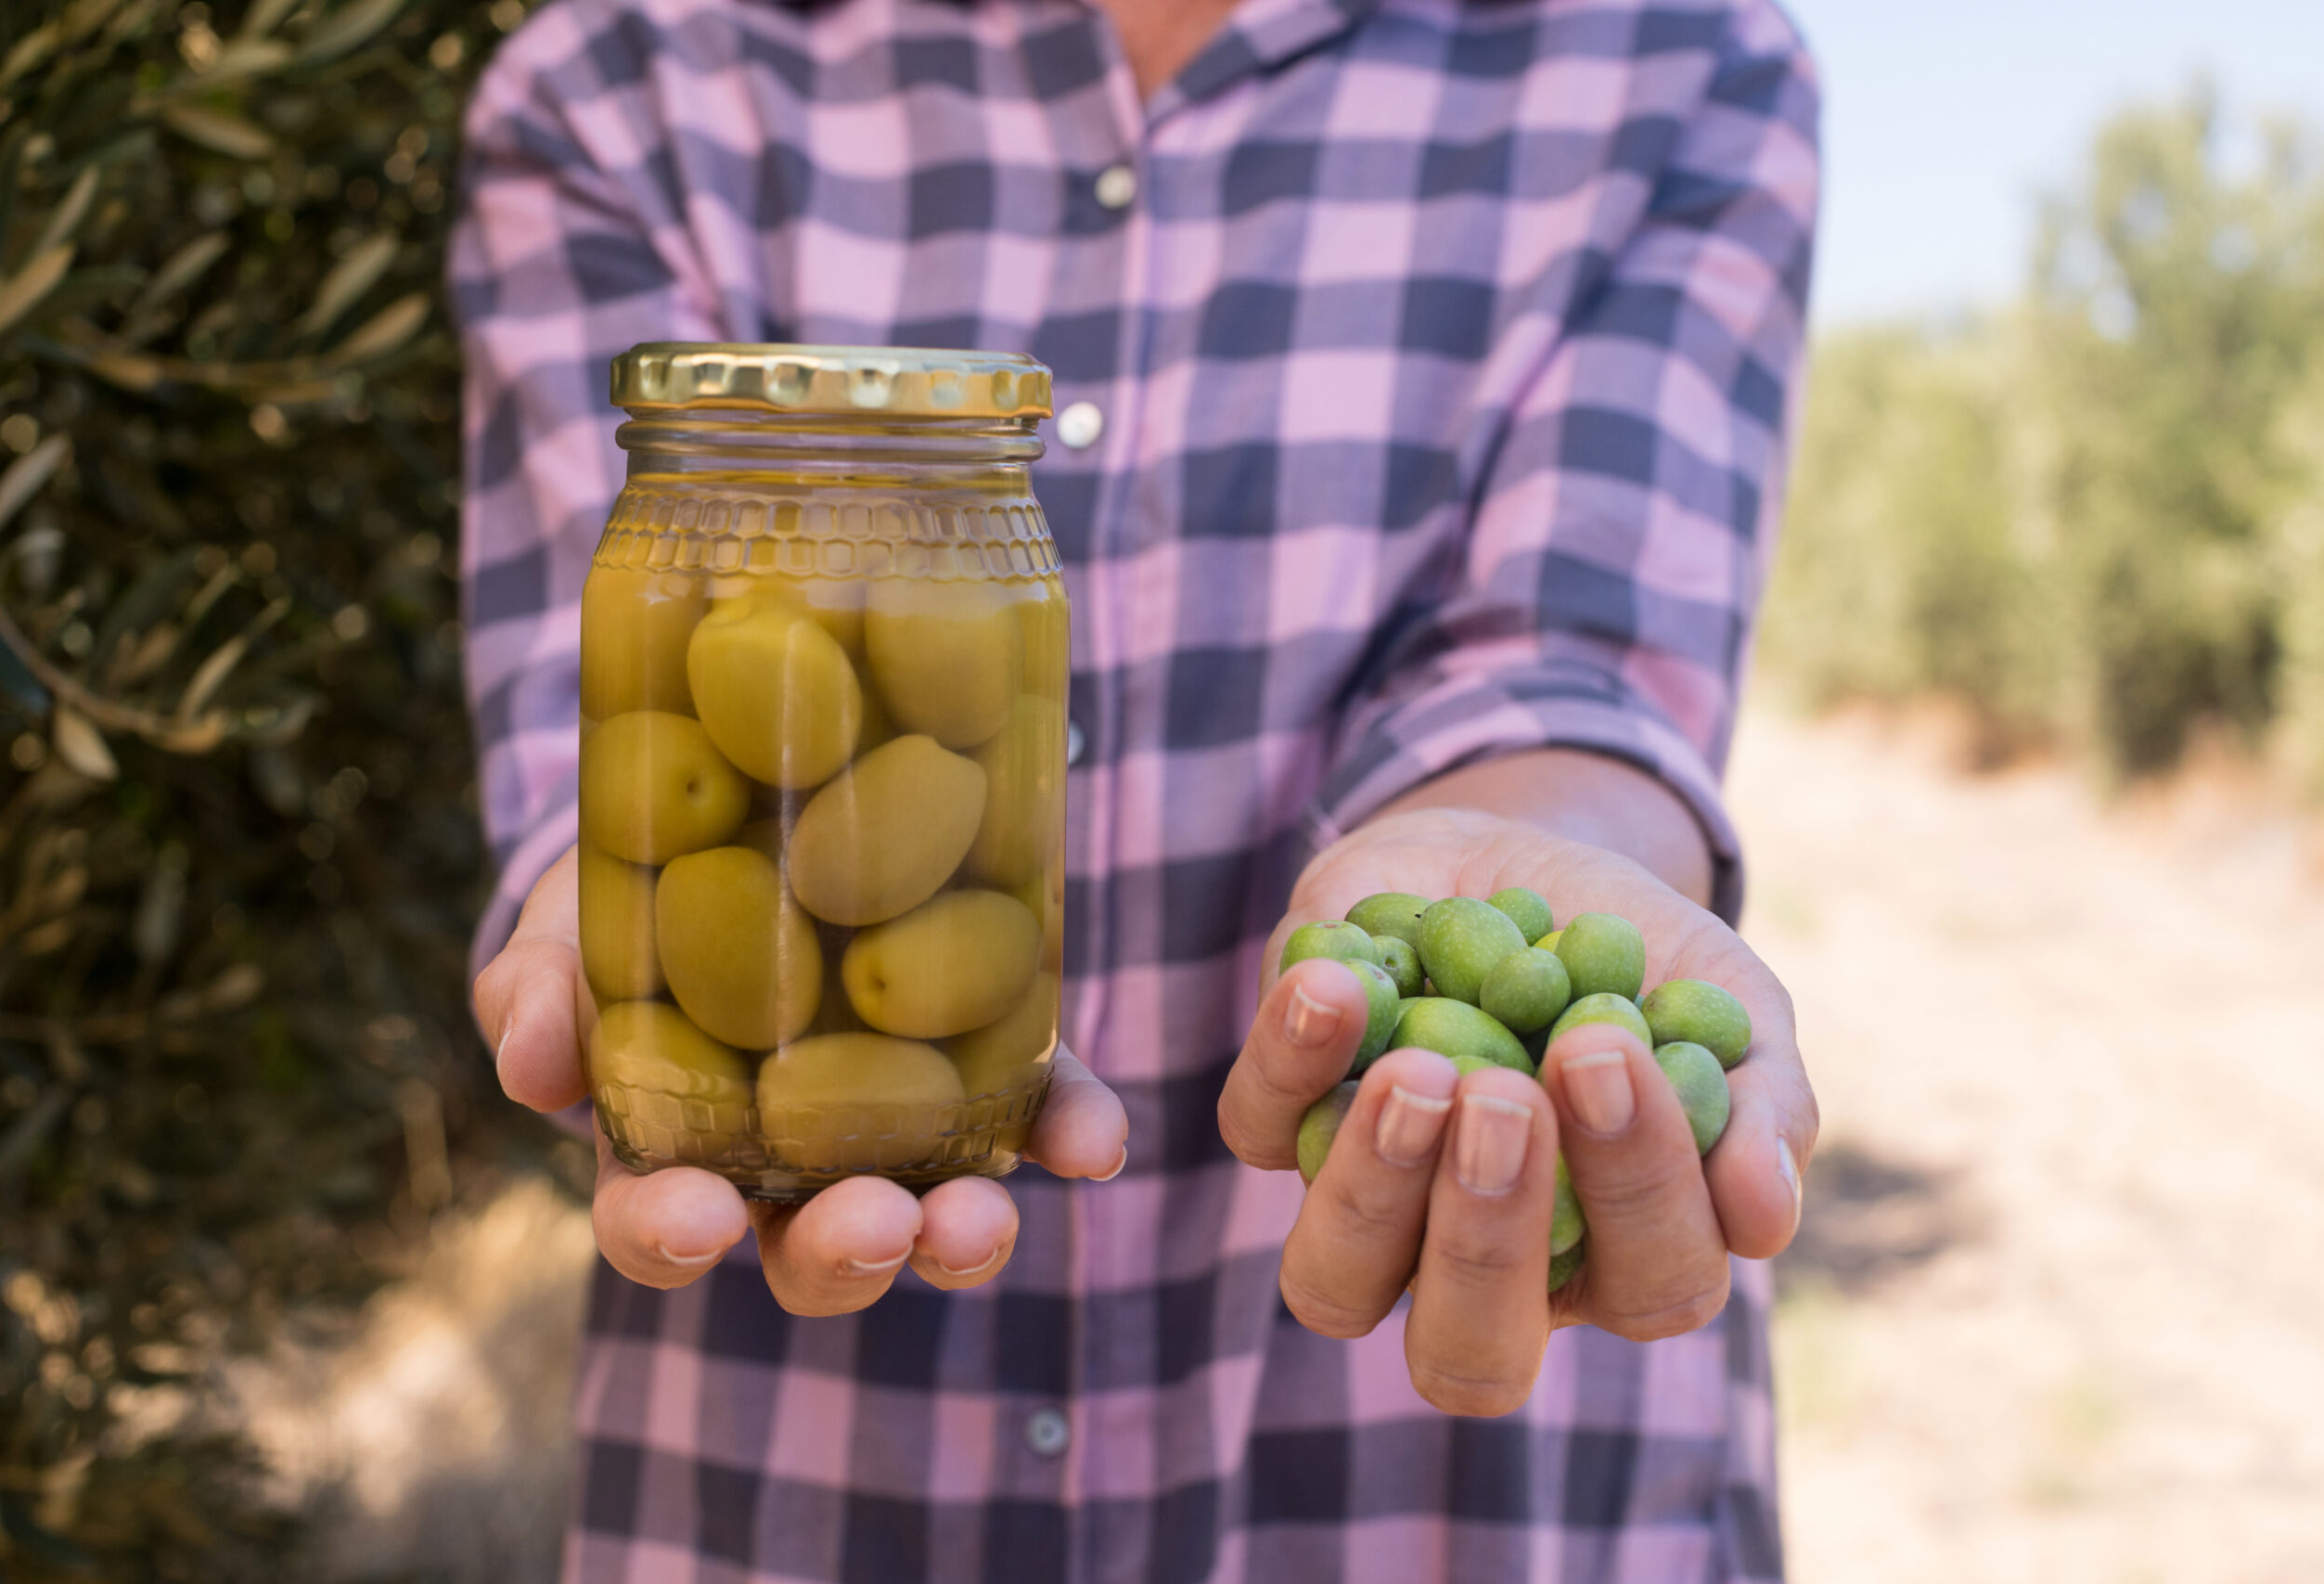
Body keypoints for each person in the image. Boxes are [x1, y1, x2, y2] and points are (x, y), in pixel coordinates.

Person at [452, 0, 1820, 1573]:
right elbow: (621, 739)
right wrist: (609, 938)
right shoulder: (625, 76)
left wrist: (1536, 847)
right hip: (805, 1493)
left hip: (1427, 1495)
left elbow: (1567, 655)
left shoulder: (1672, 55)